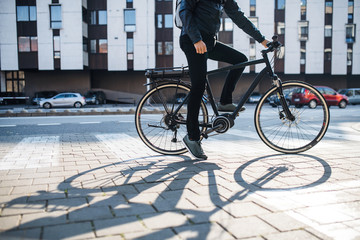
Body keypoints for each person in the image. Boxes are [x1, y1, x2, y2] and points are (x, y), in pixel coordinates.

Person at [179, 0, 269, 160]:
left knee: (240, 60)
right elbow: (184, 11)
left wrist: (262, 40)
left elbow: (239, 18)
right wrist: (196, 39)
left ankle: (225, 101)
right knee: (198, 86)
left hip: (209, 42)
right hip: (192, 40)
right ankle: (192, 137)